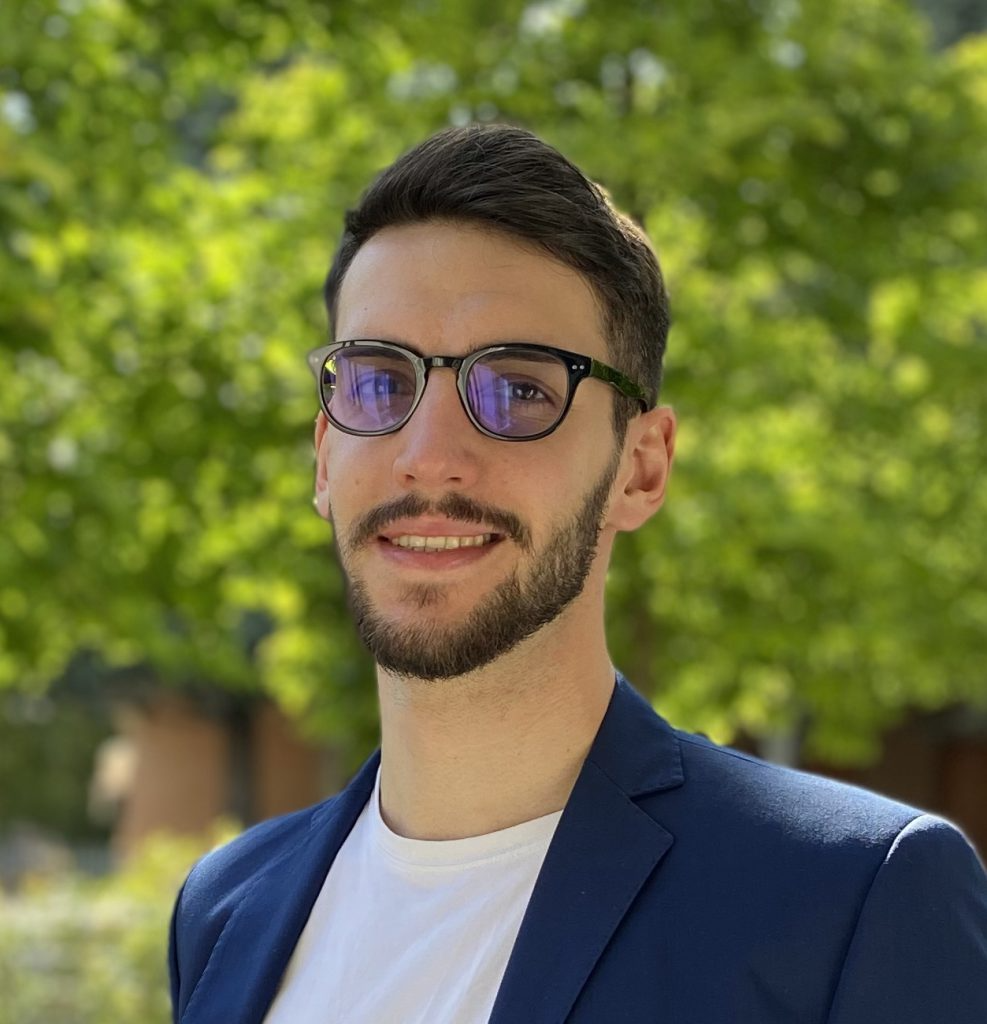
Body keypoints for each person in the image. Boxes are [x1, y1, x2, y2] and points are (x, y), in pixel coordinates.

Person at [168, 124, 987, 1024]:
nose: (427, 457)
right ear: (325, 458)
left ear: (640, 466)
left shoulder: (853, 898)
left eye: (518, 389)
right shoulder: (223, 909)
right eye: (377, 382)